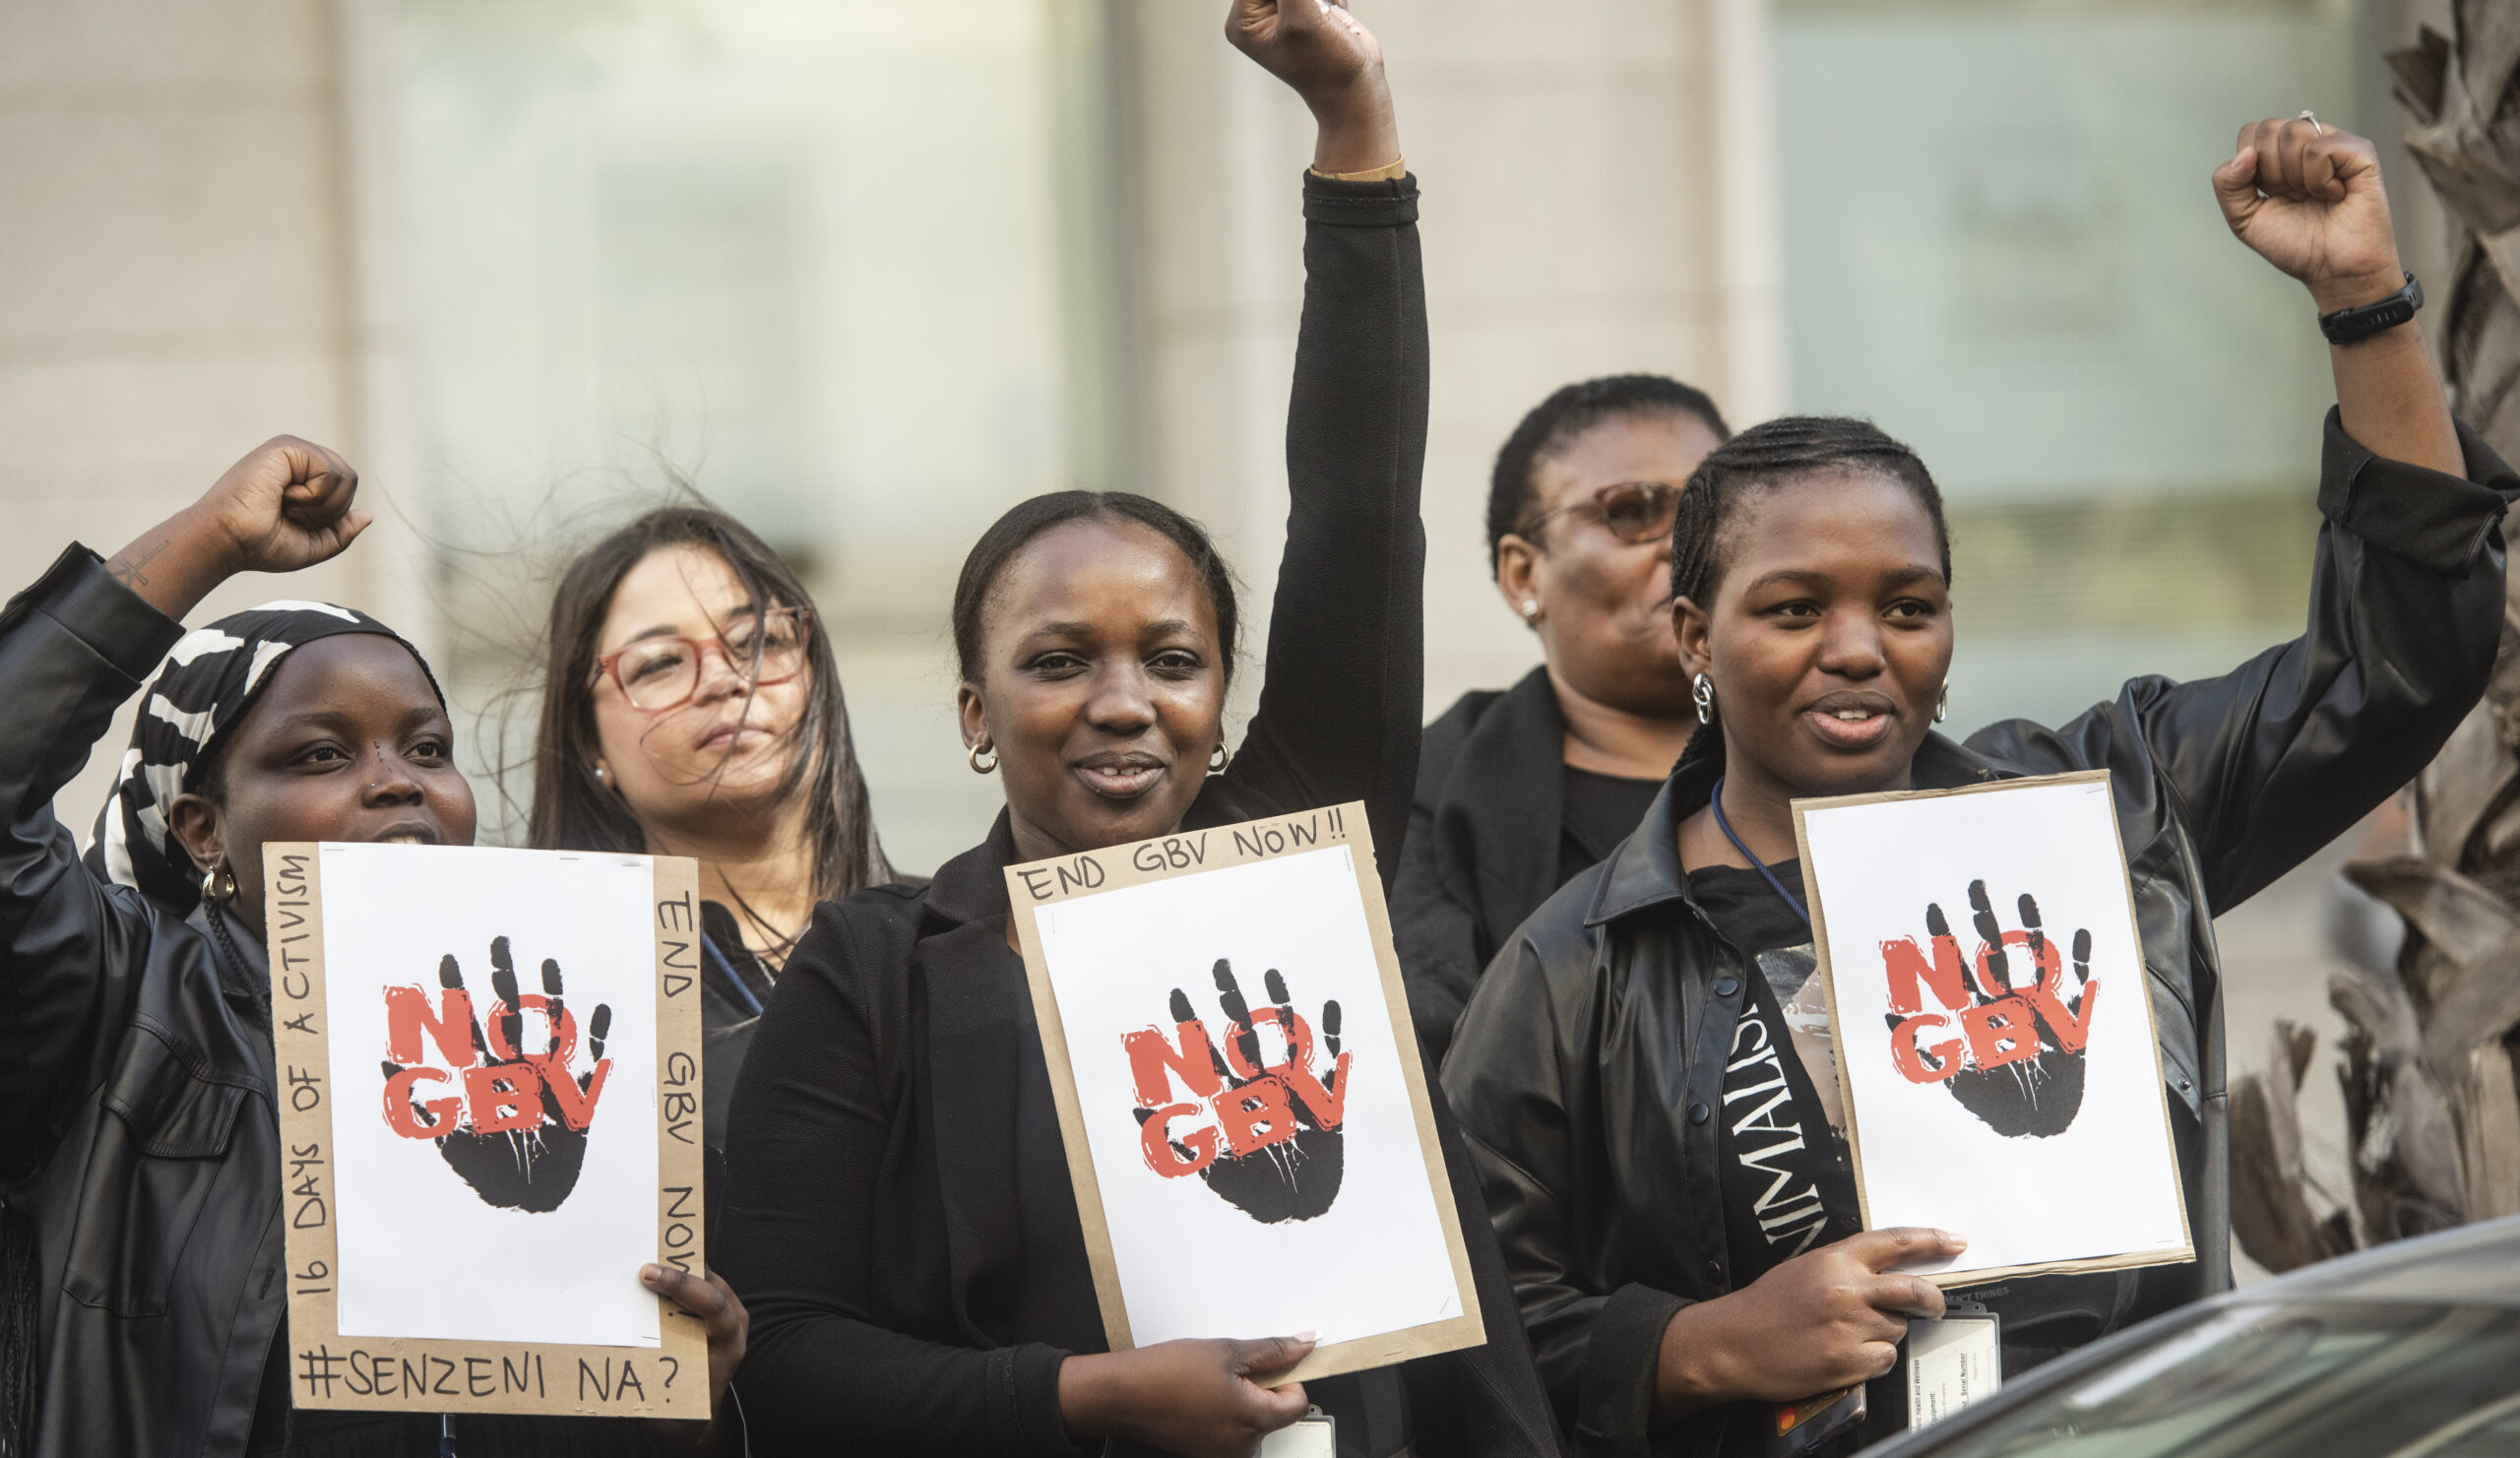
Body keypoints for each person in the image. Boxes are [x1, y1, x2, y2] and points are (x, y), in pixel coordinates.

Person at [1440, 118, 2517, 1458]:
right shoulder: (1578, 967)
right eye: (1790, 608)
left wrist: (2365, 301)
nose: (1856, 645)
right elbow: (1470, 1341)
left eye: (1907, 603)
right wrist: (1709, 1343)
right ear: (1696, 639)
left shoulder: (2114, 812)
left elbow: (2405, 659)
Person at [712, 4, 1557, 1454]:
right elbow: (782, 1349)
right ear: (978, 716)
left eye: (1172, 658)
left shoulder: (1291, 860)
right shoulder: (874, 976)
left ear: (1223, 698)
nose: (1122, 700)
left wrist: (1352, 127)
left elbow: (1359, 506)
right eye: (1057, 661)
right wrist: (1085, 1393)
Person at [0, 439, 743, 1456]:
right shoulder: (118, 1005)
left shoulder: (557, 1049)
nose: (400, 780)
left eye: (428, 747)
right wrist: (210, 540)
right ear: (203, 830)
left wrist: (683, 1392)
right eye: (320, 754)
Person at [528, 505, 895, 1159]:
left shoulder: (960, 940)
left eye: (759, 642)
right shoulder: (549, 1015)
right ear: (589, 740)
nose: (727, 679)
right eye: (661, 662)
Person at [1394, 374, 1730, 1062]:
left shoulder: (1841, 757)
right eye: (1634, 510)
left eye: (1711, 512)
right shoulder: (1419, 802)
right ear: (1524, 575)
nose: (1683, 547)